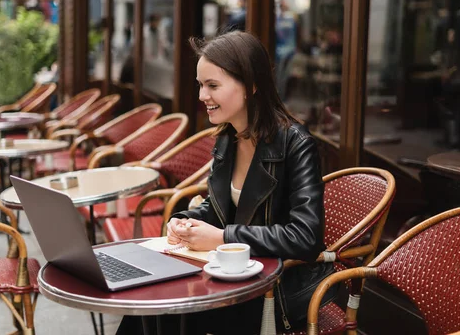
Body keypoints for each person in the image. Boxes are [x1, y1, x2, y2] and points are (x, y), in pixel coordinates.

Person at [115, 31, 336, 335]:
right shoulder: (227, 138)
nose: (202, 96)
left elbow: (305, 238)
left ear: (251, 86)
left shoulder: (296, 144)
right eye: (201, 85)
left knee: (162, 309)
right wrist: (185, 221)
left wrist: (222, 238)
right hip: (231, 277)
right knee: (147, 305)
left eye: (212, 86)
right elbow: (218, 206)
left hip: (276, 290)